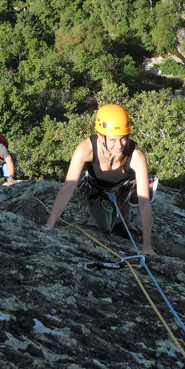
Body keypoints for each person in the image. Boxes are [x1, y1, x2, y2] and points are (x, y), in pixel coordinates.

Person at [45, 104, 157, 255]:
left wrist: (147, 247)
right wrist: (50, 224)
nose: (119, 146)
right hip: (96, 187)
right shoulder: (86, 149)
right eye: (112, 140)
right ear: (100, 136)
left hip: (123, 186)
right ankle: (116, 208)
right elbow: (68, 187)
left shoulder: (136, 156)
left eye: (123, 139)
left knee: (120, 223)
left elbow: (144, 203)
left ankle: (132, 193)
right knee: (104, 228)